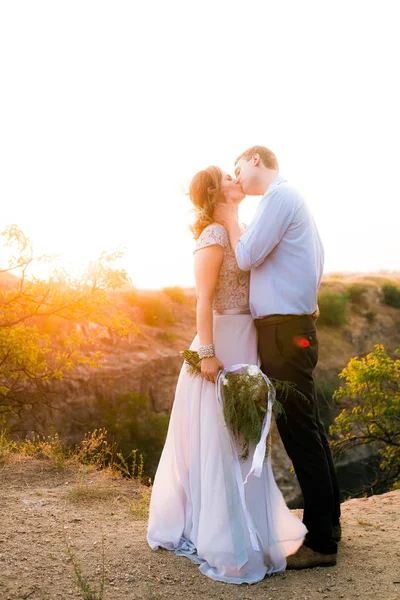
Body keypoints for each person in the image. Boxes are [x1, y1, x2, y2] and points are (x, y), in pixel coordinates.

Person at [146, 165, 307, 584]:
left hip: (248, 341)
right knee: (221, 439)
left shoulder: (241, 229)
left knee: (246, 437)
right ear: (218, 191)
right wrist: (209, 354)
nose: (239, 180)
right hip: (220, 344)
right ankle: (226, 539)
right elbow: (202, 301)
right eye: (230, 177)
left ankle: (253, 530)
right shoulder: (213, 236)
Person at [213, 145, 341, 569]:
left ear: (255, 161)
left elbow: (247, 256)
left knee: (300, 432)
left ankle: (323, 543)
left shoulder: (279, 196)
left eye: (237, 167)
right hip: (288, 329)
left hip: (285, 333)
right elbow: (315, 257)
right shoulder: (288, 198)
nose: (236, 176)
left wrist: (231, 219)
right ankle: (327, 528)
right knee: (307, 429)